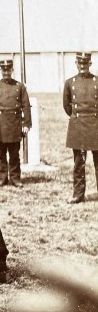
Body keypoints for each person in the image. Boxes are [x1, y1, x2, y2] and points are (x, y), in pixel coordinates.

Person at [0, 59, 31, 187]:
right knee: (0, 154)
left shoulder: (19, 86)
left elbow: (26, 106)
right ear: (1, 71)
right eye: (4, 70)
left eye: (8, 70)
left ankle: (15, 178)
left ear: (12, 70)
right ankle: (2, 178)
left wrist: (26, 124)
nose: (6, 72)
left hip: (14, 125)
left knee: (14, 154)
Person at [63, 52, 98, 204]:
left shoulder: (97, 81)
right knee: (79, 163)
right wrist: (77, 117)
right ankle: (78, 195)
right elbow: (67, 105)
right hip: (78, 126)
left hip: (95, 126)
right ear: (76, 64)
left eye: (85, 63)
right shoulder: (70, 83)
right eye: (80, 63)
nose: (83, 66)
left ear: (89, 64)